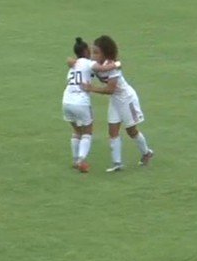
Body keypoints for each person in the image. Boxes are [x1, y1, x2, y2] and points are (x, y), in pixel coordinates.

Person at [80, 35, 153, 172]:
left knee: (131, 131)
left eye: (96, 52)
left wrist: (91, 88)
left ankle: (147, 153)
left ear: (105, 53)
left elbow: (110, 89)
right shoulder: (96, 65)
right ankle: (117, 163)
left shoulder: (111, 67)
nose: (93, 55)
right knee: (112, 131)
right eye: (92, 51)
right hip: (115, 100)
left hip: (127, 99)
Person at [62, 38, 96, 173]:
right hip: (80, 102)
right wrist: (117, 64)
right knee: (87, 131)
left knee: (77, 131)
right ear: (85, 51)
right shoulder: (89, 63)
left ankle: (76, 160)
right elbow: (100, 68)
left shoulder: (73, 66)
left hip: (66, 101)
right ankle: (81, 160)